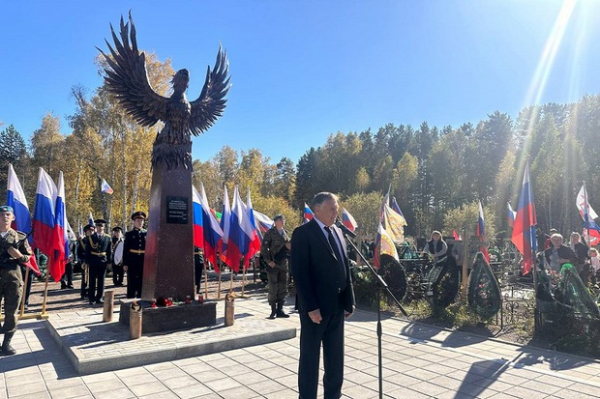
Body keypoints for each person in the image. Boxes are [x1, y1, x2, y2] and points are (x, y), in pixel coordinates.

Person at [291, 192, 355, 399]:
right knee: (310, 360)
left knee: (335, 360)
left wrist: (349, 300)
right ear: (317, 209)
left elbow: (345, 267)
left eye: (336, 208)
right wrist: (310, 306)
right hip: (315, 310)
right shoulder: (303, 233)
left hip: (337, 307)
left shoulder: (337, 231)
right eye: (332, 208)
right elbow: (300, 273)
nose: (336, 212)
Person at [0, 205, 33, 355]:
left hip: (13, 277)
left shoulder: (20, 236)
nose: (4, 217)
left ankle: (6, 343)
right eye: (1, 215)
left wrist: (19, 255)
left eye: (8, 214)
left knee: (11, 311)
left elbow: (29, 257)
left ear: (12, 218)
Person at [260, 214, 291, 319]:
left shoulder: (286, 233)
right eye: (280, 220)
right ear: (275, 222)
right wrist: (269, 261)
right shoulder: (270, 233)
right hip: (273, 264)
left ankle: (280, 310)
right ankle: (273, 310)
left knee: (283, 287)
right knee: (273, 287)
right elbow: (264, 249)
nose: (282, 222)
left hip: (283, 264)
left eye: (283, 220)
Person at [85, 219, 112, 305]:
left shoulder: (108, 237)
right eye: (98, 226)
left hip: (103, 261)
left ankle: (99, 297)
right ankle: (91, 298)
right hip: (93, 260)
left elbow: (109, 251)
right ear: (96, 227)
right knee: (92, 280)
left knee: (101, 280)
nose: (100, 228)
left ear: (104, 227)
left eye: (101, 226)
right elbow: (87, 251)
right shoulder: (91, 238)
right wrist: (86, 261)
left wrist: (109, 261)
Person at [123, 211, 147, 299]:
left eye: (141, 221)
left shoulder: (147, 233)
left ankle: (141, 298)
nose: (140, 222)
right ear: (134, 222)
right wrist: (125, 263)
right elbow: (125, 249)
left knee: (142, 280)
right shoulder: (129, 234)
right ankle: (130, 299)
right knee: (132, 280)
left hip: (143, 260)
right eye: (138, 220)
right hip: (132, 260)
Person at [78, 225, 94, 300]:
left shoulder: (95, 240)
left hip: (93, 262)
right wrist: (82, 261)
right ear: (85, 232)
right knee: (85, 278)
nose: (90, 232)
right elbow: (79, 253)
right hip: (85, 263)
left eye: (92, 231)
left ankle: (91, 293)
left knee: (92, 278)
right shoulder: (83, 241)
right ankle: (83, 293)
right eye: (89, 231)